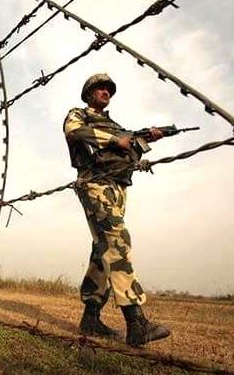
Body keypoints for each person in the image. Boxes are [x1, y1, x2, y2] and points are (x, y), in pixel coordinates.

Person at [63, 73, 170, 347]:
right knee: (117, 242)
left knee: (103, 251)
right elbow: (73, 130)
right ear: (88, 94)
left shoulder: (116, 125)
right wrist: (115, 140)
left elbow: (127, 153)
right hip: (94, 183)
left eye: (108, 89)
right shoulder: (79, 115)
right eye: (99, 88)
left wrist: (144, 141)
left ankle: (91, 319)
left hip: (118, 187)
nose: (105, 92)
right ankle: (137, 323)